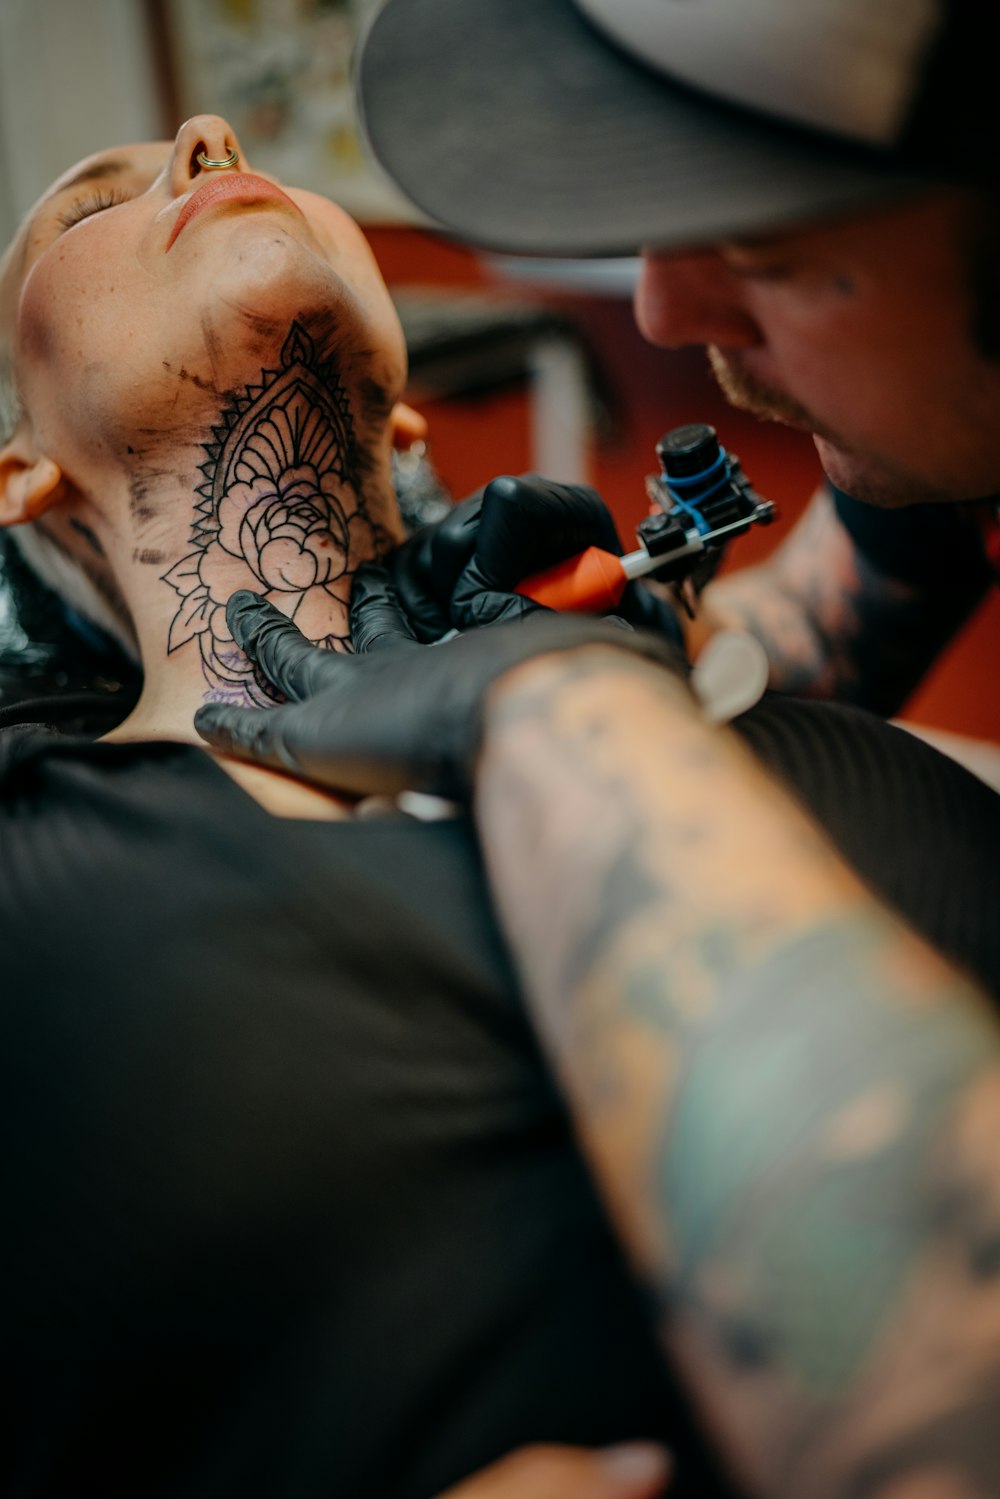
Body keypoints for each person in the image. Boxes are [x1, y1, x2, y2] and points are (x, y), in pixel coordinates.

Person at [192, 3, 1000, 1496]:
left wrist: (556, 708)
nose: (663, 312)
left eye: (753, 245)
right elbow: (846, 613)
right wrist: (647, 633)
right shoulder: (956, 434)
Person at [0, 115, 736, 1499]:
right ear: (19, 474)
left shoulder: (712, 723)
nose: (209, 140)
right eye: (91, 204)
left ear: (407, 415)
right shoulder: (30, 880)